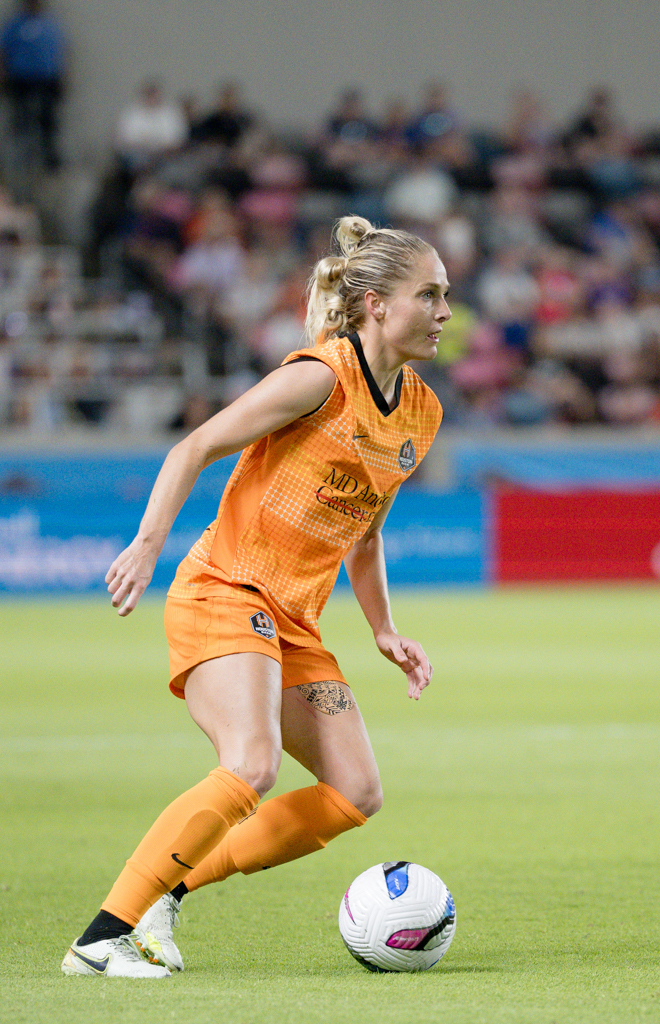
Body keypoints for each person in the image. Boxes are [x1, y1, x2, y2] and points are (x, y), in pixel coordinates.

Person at [61, 215, 450, 978]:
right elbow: (195, 446)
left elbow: (366, 533)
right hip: (225, 588)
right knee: (250, 765)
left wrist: (383, 629)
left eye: (445, 295)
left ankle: (165, 895)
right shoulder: (318, 378)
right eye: (429, 295)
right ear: (376, 305)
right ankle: (101, 939)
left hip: (293, 621)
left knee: (354, 792)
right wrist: (146, 545)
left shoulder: (420, 412)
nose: (444, 311)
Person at [0, 0, 66, 170]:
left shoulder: (49, 24)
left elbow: (59, 51)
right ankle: (21, 156)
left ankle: (49, 155)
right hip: (20, 78)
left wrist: (60, 77)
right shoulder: (15, 25)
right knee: (21, 119)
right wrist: (4, 75)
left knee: (47, 119)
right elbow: (4, 50)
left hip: (45, 79)